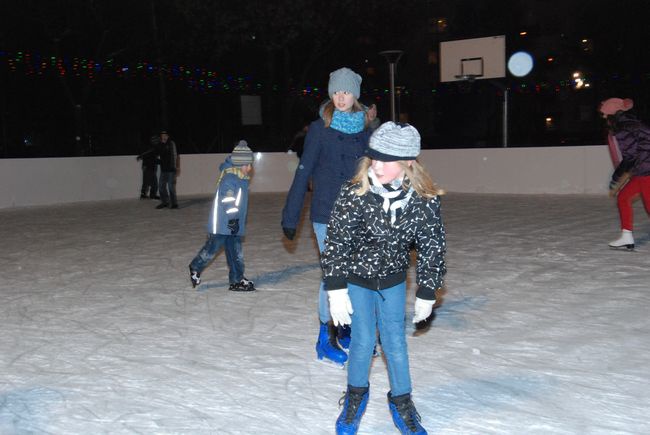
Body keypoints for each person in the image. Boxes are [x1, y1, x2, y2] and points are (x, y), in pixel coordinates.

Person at [321, 122, 446, 435]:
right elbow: (337, 241)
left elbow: (433, 245)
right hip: (358, 279)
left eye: (385, 160)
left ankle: (401, 400)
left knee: (395, 343)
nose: (376, 165)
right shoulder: (355, 193)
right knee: (362, 341)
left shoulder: (423, 200)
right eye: (373, 157)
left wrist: (428, 290)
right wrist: (336, 289)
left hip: (392, 281)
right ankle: (355, 397)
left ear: (407, 163)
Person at [281, 67, 371, 366]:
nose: (340, 97)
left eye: (345, 92)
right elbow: (304, 170)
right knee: (333, 275)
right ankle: (324, 337)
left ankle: (346, 327)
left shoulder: (365, 131)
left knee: (355, 273)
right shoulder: (319, 128)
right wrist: (291, 214)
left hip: (357, 213)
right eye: (335, 92)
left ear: (354, 95)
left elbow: (373, 175)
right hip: (326, 213)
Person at [188, 140, 256, 291]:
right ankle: (195, 266)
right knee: (213, 248)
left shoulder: (240, 178)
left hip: (233, 223)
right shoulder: (230, 178)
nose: (250, 168)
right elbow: (228, 200)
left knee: (235, 253)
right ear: (240, 164)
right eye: (248, 165)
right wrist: (233, 220)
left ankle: (237, 279)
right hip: (223, 224)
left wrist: (235, 221)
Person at [599, 98, 650, 250]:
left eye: (604, 114)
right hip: (642, 169)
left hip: (646, 170)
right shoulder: (631, 123)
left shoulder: (623, 128)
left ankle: (627, 236)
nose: (602, 117)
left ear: (611, 114)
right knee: (623, 197)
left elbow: (630, 156)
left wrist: (616, 177)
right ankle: (626, 236)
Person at [156, 130, 179, 209]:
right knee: (161, 186)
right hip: (163, 170)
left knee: (170, 186)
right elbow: (158, 155)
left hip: (171, 169)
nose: (164, 136)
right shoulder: (159, 145)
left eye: (165, 135)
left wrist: (176, 167)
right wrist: (158, 160)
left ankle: (174, 203)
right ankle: (165, 202)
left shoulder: (171, 143)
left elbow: (175, 155)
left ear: (168, 136)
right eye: (162, 135)